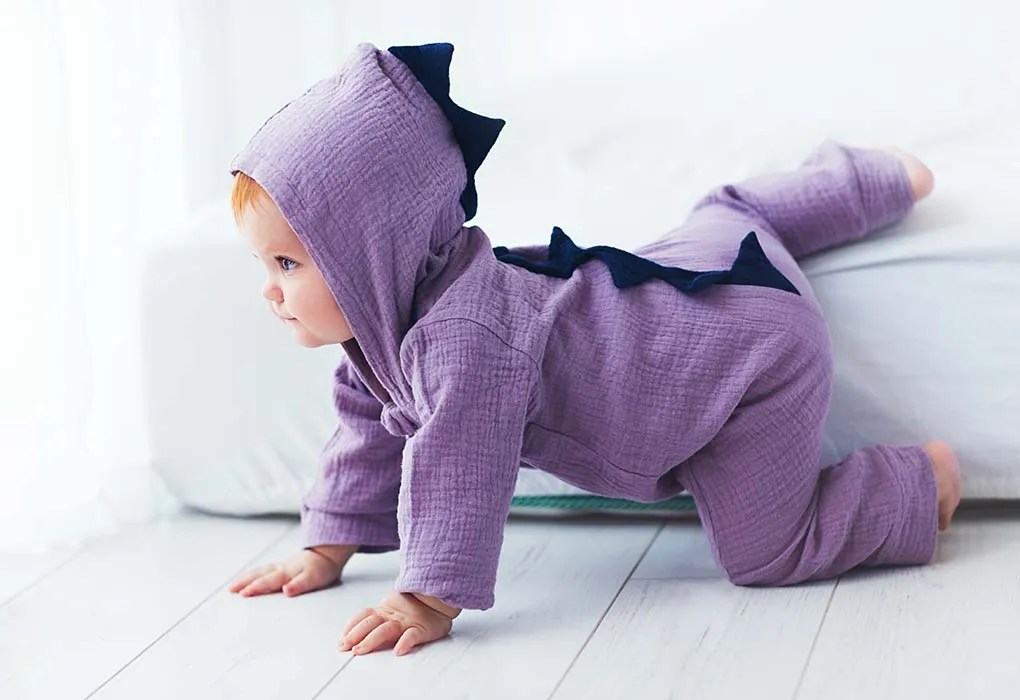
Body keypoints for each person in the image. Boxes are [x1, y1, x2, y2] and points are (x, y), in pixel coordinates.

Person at [227, 41, 960, 657]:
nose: (270, 290)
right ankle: (872, 179)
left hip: (750, 361)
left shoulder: (463, 346)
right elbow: (367, 433)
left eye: (287, 264)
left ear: (371, 253)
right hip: (698, 273)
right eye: (265, 264)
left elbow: (458, 472)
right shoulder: (381, 338)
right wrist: (326, 546)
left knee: (769, 551)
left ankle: (920, 482)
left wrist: (425, 599)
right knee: (724, 216)